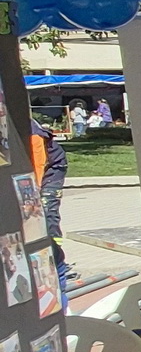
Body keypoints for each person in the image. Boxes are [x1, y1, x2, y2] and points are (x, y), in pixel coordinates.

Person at [29, 118, 67, 298]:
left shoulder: (32, 133)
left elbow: (38, 165)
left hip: (51, 168)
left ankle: (55, 252)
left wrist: (31, 196)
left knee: (46, 209)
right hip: (38, 164)